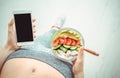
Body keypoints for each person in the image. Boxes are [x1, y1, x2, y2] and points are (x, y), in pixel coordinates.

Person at [0, 19, 84, 78]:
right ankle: (55, 30)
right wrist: (78, 74)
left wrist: (8, 47)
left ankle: (54, 28)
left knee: (45, 37)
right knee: (59, 40)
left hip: (24, 52)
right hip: (61, 65)